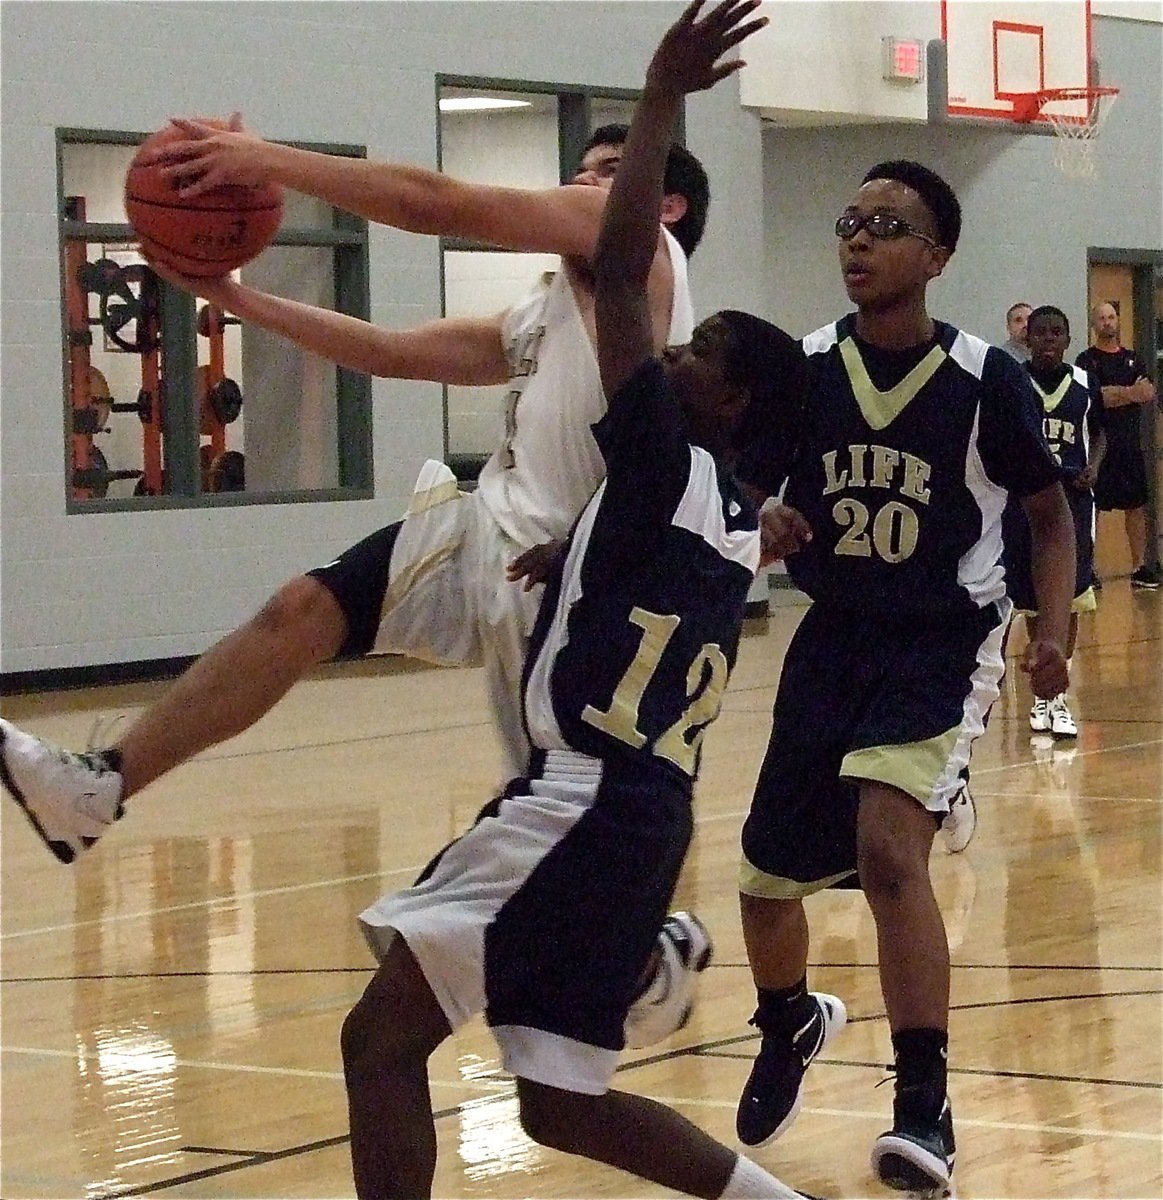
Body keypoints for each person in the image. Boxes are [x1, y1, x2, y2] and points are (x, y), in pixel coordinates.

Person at [1, 72, 714, 1056]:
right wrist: (234, 296)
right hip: (483, 534)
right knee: (300, 610)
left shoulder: (645, 259)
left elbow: (441, 204)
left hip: (560, 590)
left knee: (554, 830)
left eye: (601, 179)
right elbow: (390, 352)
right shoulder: (553, 309)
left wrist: (266, 162)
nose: (579, 191)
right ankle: (99, 784)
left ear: (661, 206)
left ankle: (644, 956)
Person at [338, 3, 815, 1197]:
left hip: (578, 799)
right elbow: (648, 570)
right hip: (645, 818)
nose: (672, 353)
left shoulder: (659, 462)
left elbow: (612, 266)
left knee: (377, 1039)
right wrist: (574, 565)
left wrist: (657, 98)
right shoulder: (719, 522)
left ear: (727, 403)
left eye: (698, 354)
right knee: (558, 1104)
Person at [731, 161, 1076, 1196]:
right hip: (832, 633)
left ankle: (922, 1105)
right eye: (848, 221)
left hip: (941, 635)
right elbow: (748, 479)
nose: (857, 241)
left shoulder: (982, 377)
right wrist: (765, 515)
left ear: (934, 257)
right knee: (762, 880)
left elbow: (1046, 514)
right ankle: (790, 1019)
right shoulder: (802, 367)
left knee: (886, 850)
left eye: (884, 226)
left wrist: (1050, 630)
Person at [1003, 305, 1102, 739]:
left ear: (1067, 339)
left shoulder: (1083, 383)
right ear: (1028, 339)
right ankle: (1039, 696)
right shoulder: (1012, 381)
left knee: (1072, 596)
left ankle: (1056, 696)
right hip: (1026, 504)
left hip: (1074, 504)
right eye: (1039, 332)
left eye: (1056, 332)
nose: (1047, 339)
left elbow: (1100, 432)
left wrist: (1094, 466)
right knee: (1031, 598)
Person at [1075, 301, 1160, 590]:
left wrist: (1119, 394)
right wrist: (1129, 393)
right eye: (1102, 318)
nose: (1107, 322)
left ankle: (1140, 567)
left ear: (1118, 321)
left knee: (1136, 506)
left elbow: (1147, 392)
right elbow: (1096, 397)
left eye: (1111, 317)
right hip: (1098, 445)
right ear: (1094, 324)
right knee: (1092, 509)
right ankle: (1089, 569)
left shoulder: (1134, 359)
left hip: (1129, 445)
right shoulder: (1086, 361)